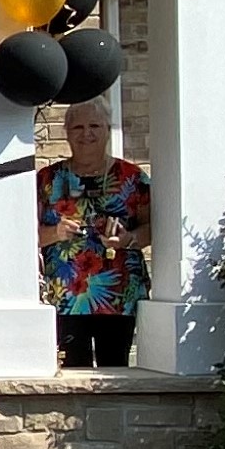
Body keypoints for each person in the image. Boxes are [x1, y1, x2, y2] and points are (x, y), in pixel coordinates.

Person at [38, 97, 151, 368]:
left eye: (94, 126)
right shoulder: (46, 180)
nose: (86, 134)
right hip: (65, 295)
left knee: (115, 369)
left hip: (117, 294)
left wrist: (128, 239)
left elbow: (153, 229)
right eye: (77, 127)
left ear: (107, 130)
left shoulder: (132, 178)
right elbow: (24, 234)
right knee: (72, 371)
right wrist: (55, 232)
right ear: (67, 133)